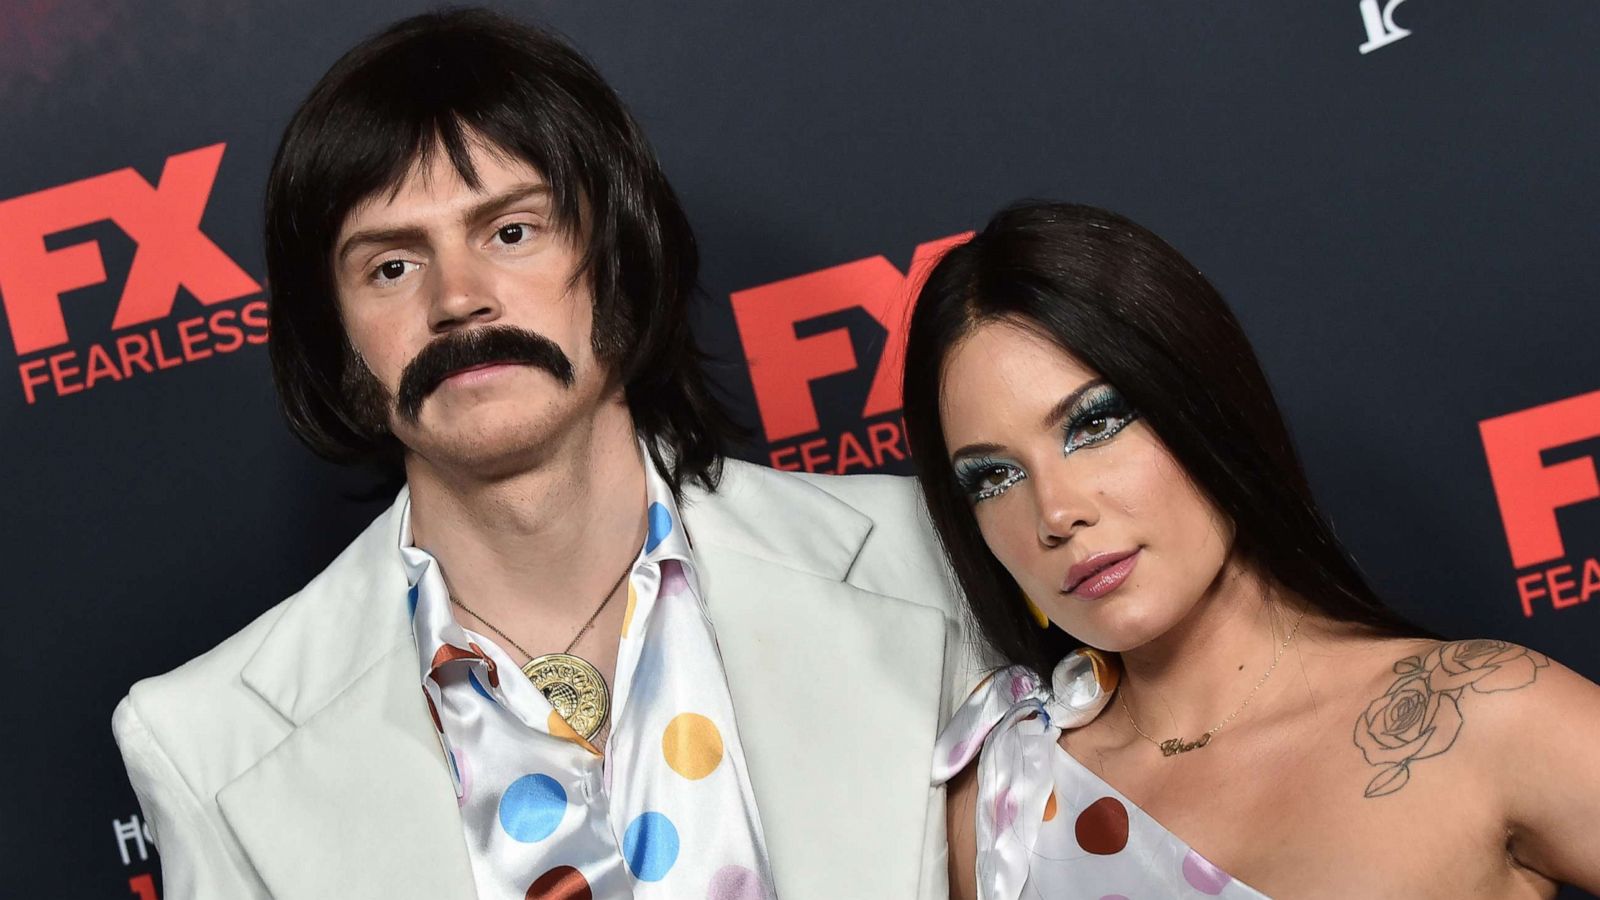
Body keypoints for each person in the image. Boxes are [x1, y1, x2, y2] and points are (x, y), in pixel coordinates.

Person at [112, 10, 972, 899]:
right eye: (392, 267)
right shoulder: (205, 743)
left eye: (512, 232)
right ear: (337, 344)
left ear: (620, 254)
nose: (460, 299)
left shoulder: (931, 561)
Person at [900, 201, 1600, 899]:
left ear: (1201, 402)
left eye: (1095, 424)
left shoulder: (1485, 716)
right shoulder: (1006, 809)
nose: (1055, 512)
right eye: (994, 477)